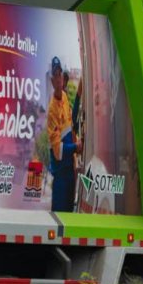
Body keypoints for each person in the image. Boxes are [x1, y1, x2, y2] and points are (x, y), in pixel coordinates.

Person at [46, 56, 81, 211]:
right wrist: (75, 147)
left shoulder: (66, 98)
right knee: (60, 218)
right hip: (60, 176)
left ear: (63, 78)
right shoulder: (52, 110)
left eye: (60, 74)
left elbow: (71, 124)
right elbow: (58, 151)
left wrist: (79, 95)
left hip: (70, 172)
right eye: (55, 75)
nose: (58, 78)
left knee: (69, 221)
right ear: (52, 81)